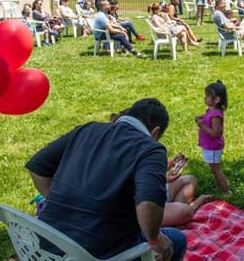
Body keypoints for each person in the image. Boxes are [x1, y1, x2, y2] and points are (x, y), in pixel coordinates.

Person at [25, 98, 186, 260]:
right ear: (155, 132)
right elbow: (147, 205)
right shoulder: (151, 149)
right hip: (98, 253)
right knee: (177, 239)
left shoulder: (86, 130)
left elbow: (37, 167)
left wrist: (59, 201)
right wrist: (155, 239)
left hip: (44, 245)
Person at [196, 81, 231, 195]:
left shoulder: (216, 114)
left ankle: (226, 191)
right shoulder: (211, 110)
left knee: (216, 169)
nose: (204, 98)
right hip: (210, 146)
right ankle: (219, 187)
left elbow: (215, 133)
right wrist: (202, 117)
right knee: (214, 169)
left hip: (213, 147)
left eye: (207, 96)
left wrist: (201, 125)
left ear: (216, 100)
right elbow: (208, 118)